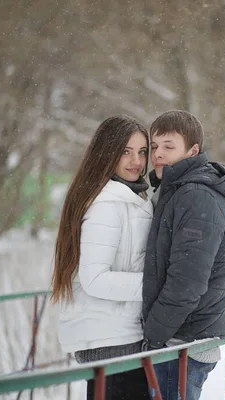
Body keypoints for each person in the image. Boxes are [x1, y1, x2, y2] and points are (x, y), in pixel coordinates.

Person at [141, 110, 225, 400]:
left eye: (169, 146)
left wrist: (154, 335)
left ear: (193, 150)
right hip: (181, 338)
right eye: (155, 146)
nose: (158, 154)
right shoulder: (175, 191)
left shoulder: (196, 196)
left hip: (183, 343)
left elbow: (188, 281)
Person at [51, 115, 153, 400]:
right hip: (110, 338)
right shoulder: (107, 204)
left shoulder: (129, 199)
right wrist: (155, 285)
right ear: (107, 153)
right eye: (125, 151)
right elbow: (94, 279)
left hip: (116, 334)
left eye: (142, 151)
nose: (136, 160)